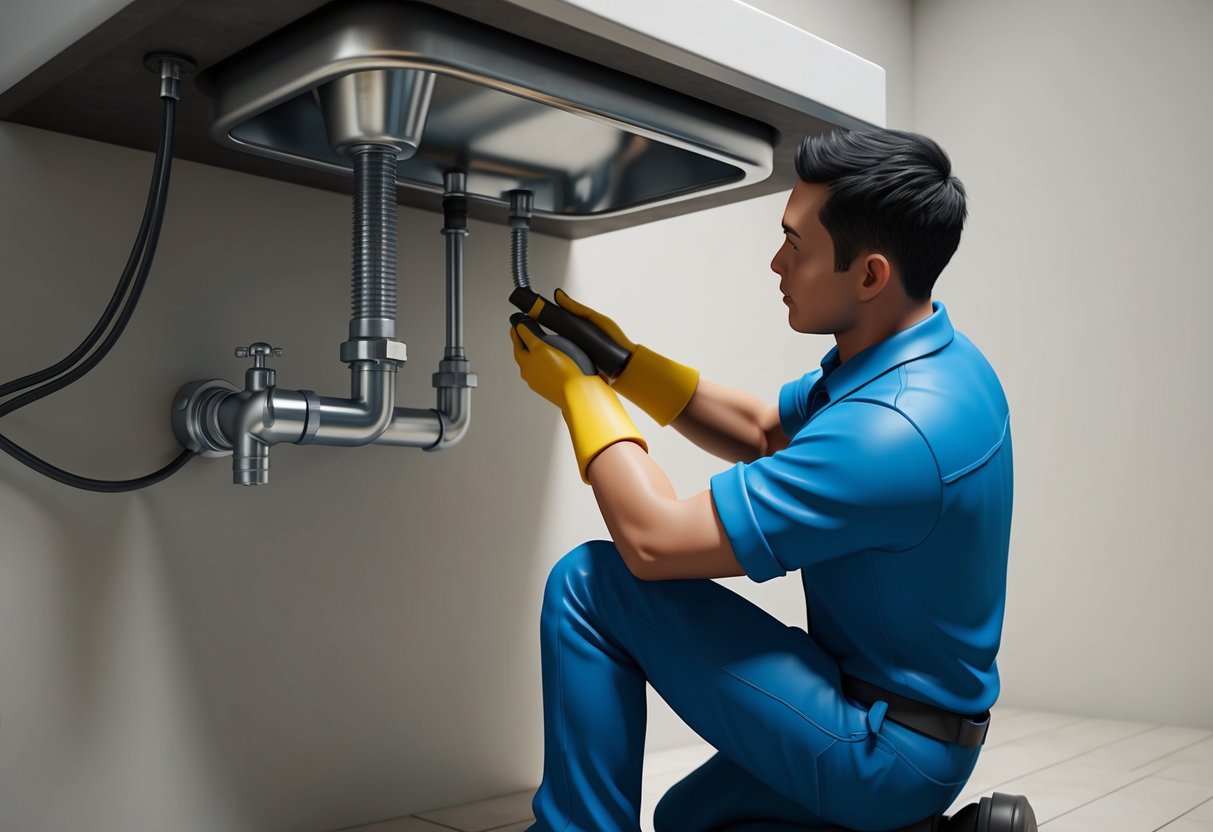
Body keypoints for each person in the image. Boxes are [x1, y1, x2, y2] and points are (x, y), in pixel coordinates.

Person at [509, 129, 1033, 832]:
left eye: (796, 245)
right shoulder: (927, 357)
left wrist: (582, 396)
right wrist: (622, 362)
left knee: (590, 583)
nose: (775, 262)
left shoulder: (892, 434)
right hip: (905, 724)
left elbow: (651, 542)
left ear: (870, 275)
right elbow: (763, 431)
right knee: (687, 819)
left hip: (882, 752)